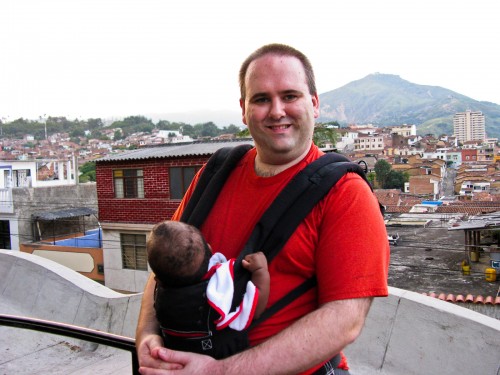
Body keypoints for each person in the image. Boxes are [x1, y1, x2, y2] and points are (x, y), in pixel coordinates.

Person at [136, 43, 390, 375]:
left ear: (314, 104)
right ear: (243, 110)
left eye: (290, 96)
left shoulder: (345, 194)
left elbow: (344, 319)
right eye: (261, 99)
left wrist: (219, 372)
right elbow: (164, 269)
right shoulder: (215, 172)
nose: (276, 111)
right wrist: (147, 336)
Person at [146, 220, 270, 359]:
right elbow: (254, 309)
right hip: (223, 360)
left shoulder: (162, 299)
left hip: (175, 358)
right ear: (210, 249)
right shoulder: (218, 292)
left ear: (157, 280)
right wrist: (260, 271)